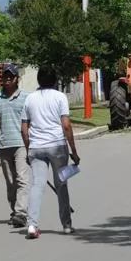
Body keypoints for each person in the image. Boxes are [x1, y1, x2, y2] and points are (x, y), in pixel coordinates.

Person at [21, 66, 80, 240]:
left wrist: (28, 149)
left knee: (37, 185)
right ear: (55, 80)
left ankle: (32, 224)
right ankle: (66, 224)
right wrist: (74, 151)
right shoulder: (60, 97)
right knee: (61, 184)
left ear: (39, 80)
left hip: (36, 148)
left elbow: (24, 129)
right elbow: (66, 125)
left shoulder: (29, 99)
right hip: (57, 146)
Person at [0, 64, 31, 228]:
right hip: (4, 144)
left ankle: (21, 212)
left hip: (21, 143)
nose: (8, 78)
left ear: (16, 78)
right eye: (5, 76)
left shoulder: (26, 97)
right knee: (10, 181)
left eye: (11, 76)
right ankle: (15, 211)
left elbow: (31, 120)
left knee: (22, 178)